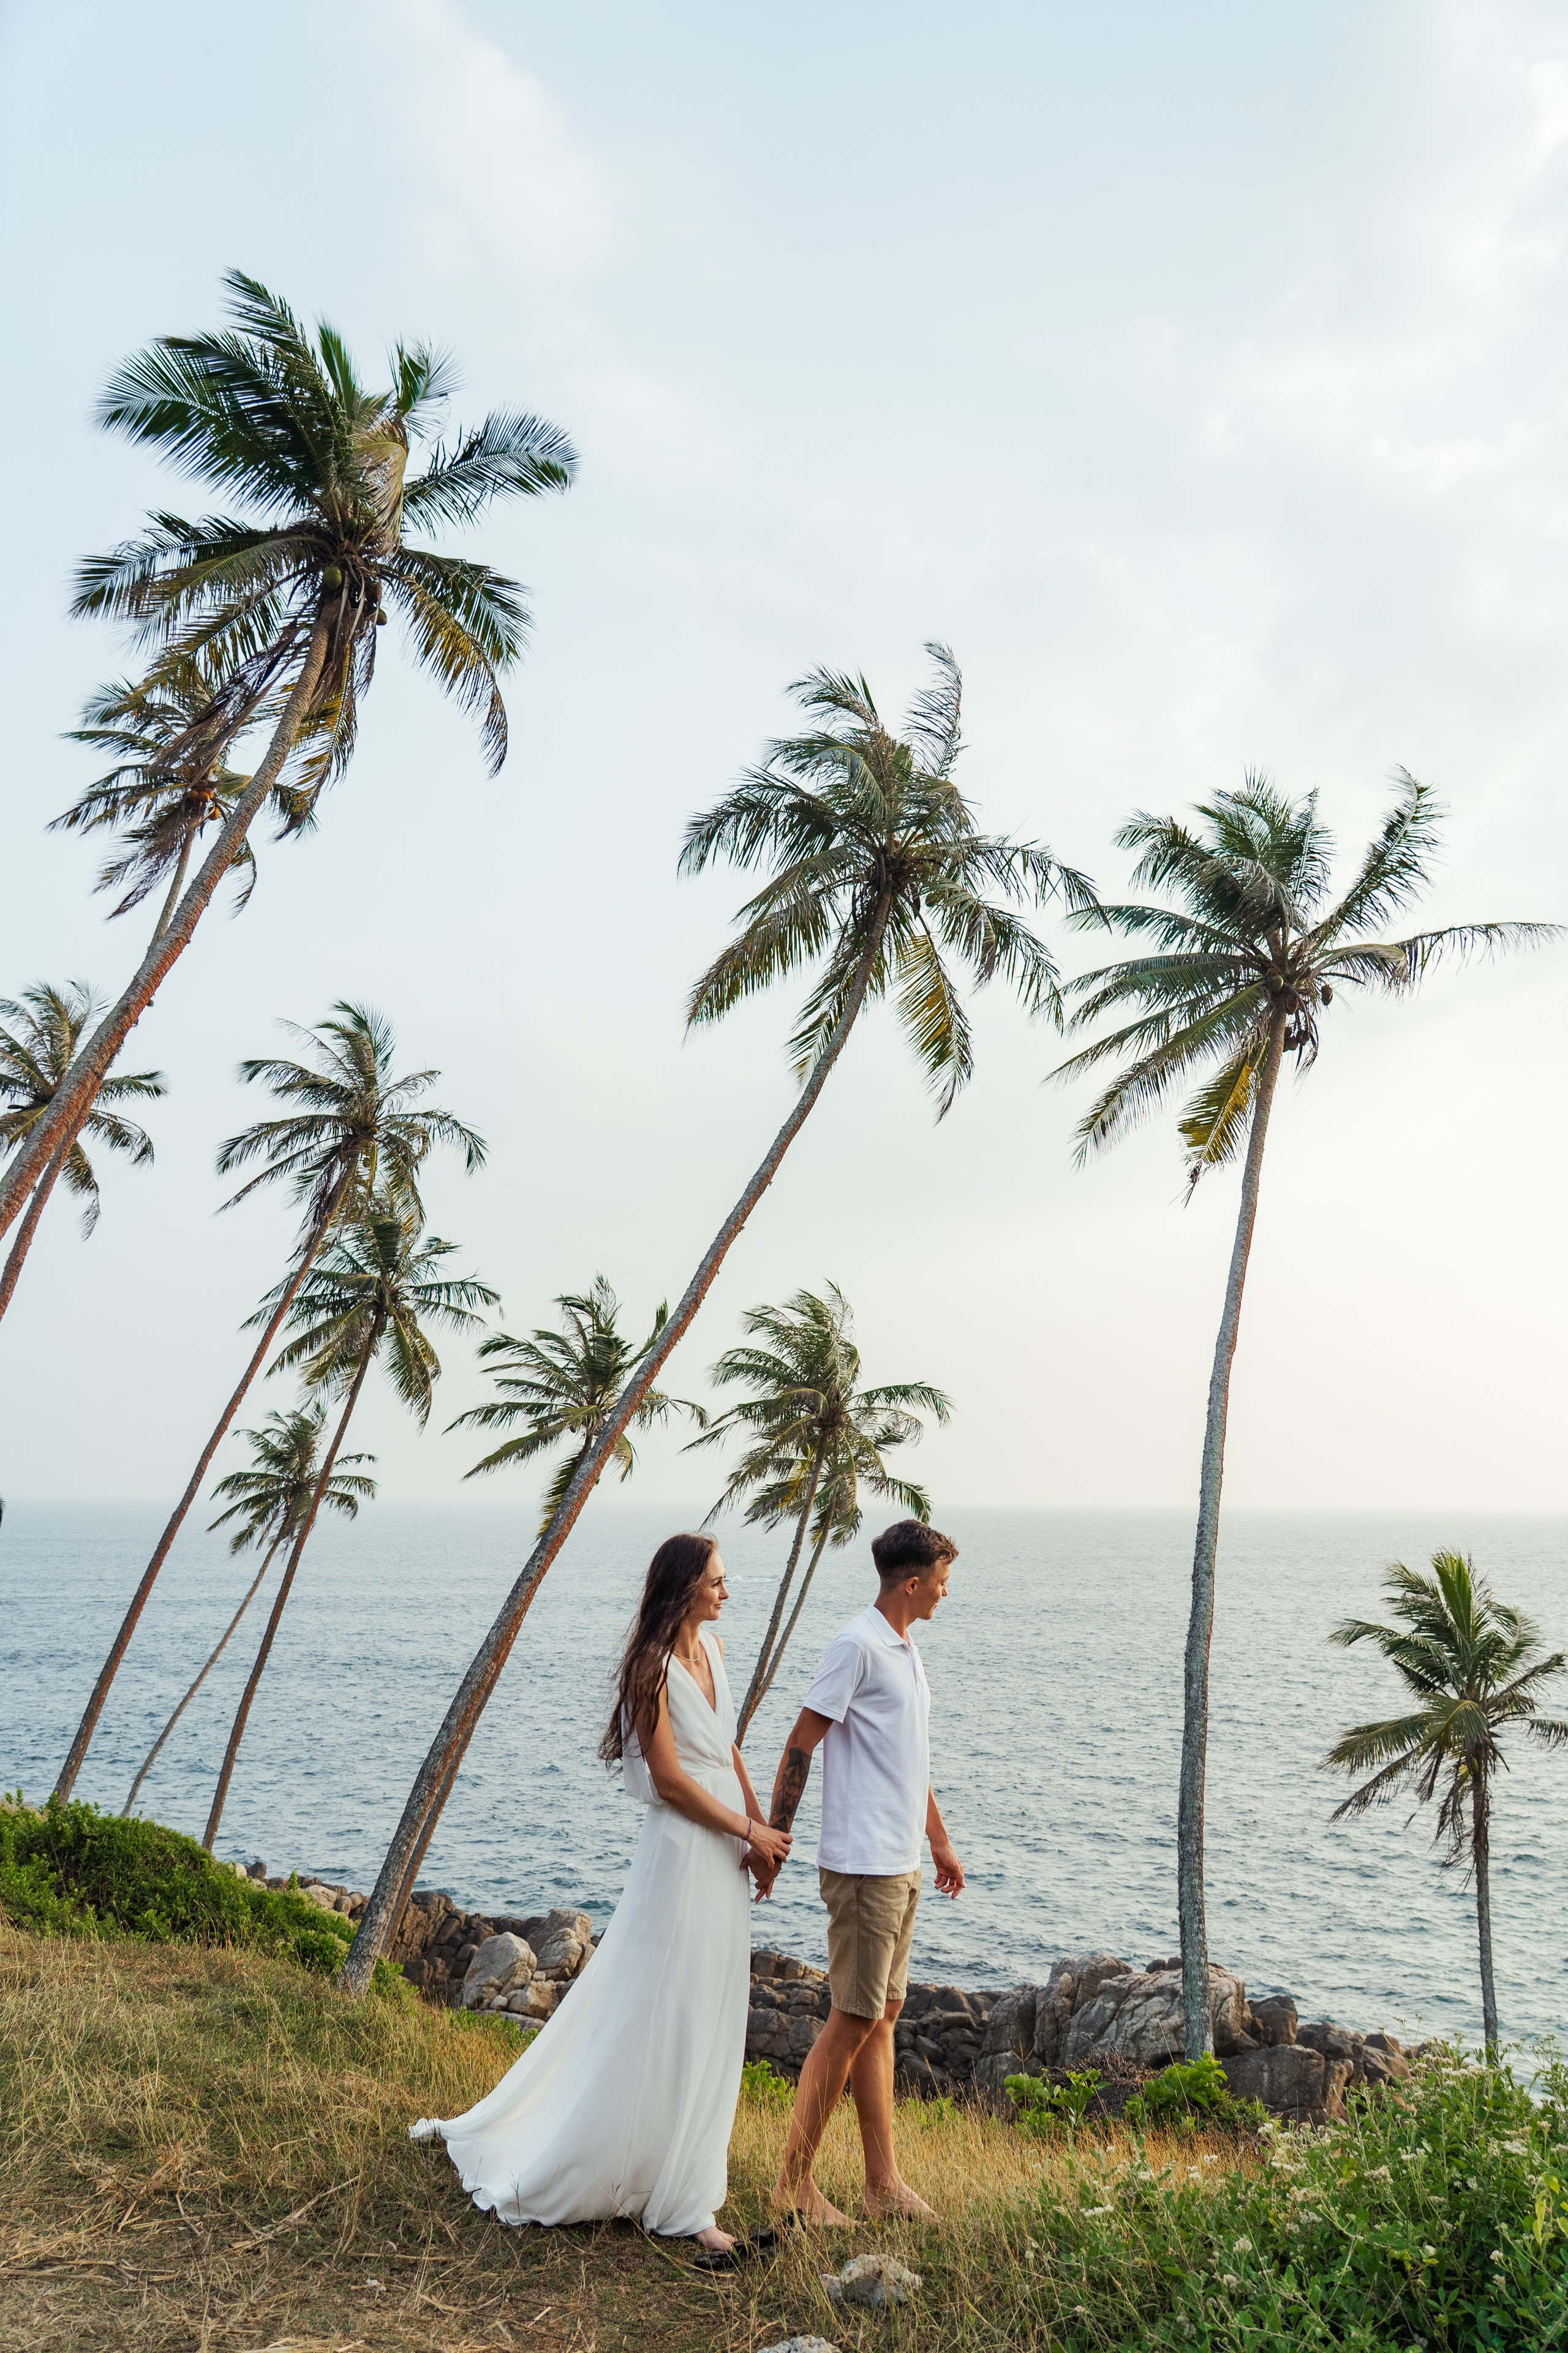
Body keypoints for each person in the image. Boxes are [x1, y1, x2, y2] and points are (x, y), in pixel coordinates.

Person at [410, 1532, 791, 2265]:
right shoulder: (649, 1668)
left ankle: (679, 2175)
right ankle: (674, 2198)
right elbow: (674, 1782)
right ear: (684, 1587)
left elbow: (728, 1747)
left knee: (712, 2005)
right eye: (716, 1579)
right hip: (681, 1853)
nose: (726, 1590)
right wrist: (743, 1824)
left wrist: (759, 1836)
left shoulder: (712, 1653)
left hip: (726, 1852)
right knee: (665, 2005)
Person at [755, 1518, 964, 2224]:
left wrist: (936, 1840)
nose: (944, 1591)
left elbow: (908, 1757)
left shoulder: (905, 1648)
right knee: (851, 2018)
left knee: (883, 2018)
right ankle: (794, 2187)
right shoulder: (856, 1645)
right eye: (940, 1580)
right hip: (863, 1865)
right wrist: (775, 1838)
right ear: (912, 1583)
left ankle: (882, 2186)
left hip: (900, 1860)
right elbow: (800, 1742)